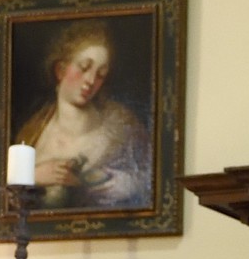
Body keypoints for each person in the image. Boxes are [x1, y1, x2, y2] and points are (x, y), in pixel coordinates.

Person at [17, 21, 153, 211]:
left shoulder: (122, 127)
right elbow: (6, 195)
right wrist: (33, 175)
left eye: (101, 74)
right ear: (60, 70)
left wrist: (126, 183)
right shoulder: (32, 131)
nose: (91, 80)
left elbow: (150, 180)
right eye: (84, 67)